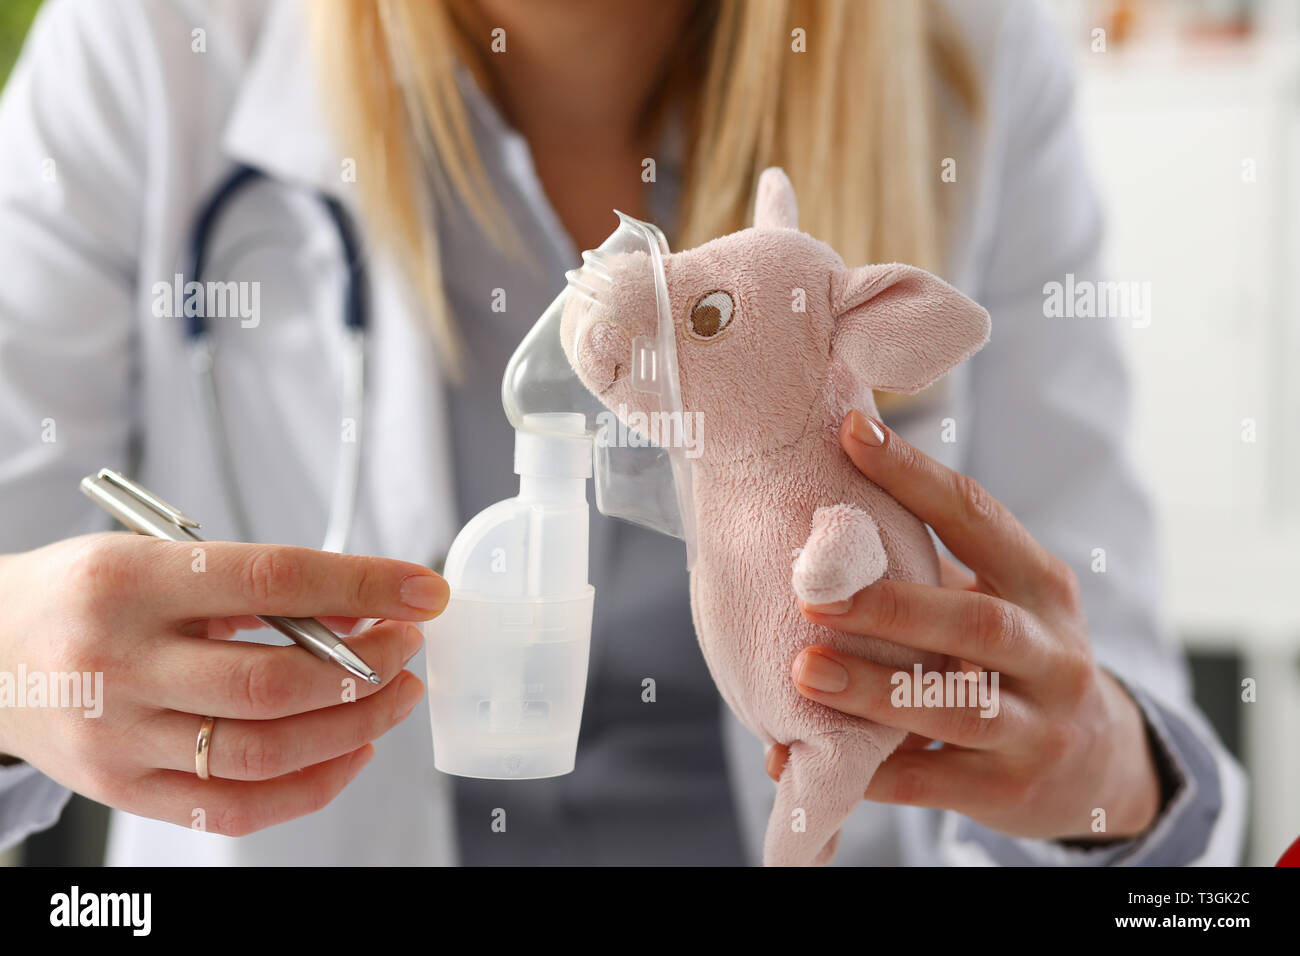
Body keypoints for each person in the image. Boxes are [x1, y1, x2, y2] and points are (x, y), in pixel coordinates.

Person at [0, 0, 1244, 865]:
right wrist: (19, 668)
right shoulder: (145, 54)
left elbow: (1122, 746)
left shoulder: (970, 61)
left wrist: (1103, 780)